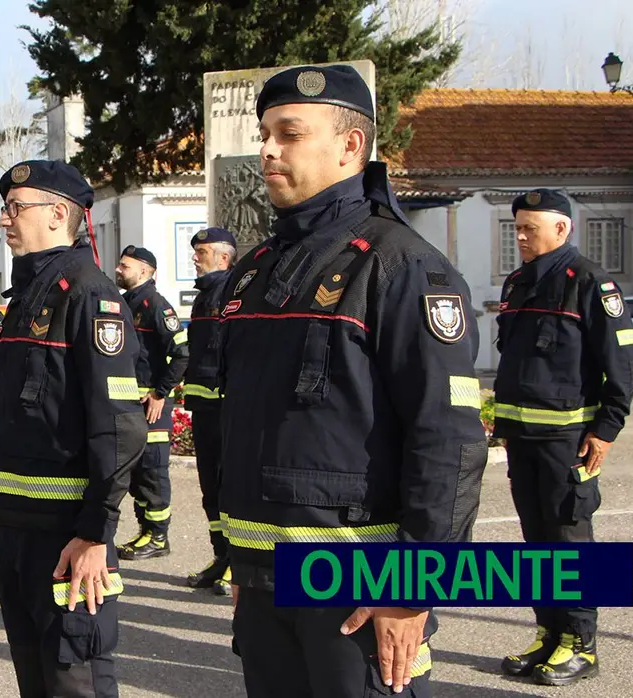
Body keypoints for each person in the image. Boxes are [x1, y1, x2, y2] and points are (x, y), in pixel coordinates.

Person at [216, 64, 487, 698]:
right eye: (265, 132)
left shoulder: (402, 265)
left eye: (289, 133)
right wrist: (243, 562)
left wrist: (412, 591)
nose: (267, 149)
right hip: (265, 583)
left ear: (349, 146)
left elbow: (448, 441)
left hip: (360, 594)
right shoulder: (254, 272)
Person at [0, 159, 146, 697]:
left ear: (58, 214)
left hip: (66, 534)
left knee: (74, 676)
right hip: (15, 525)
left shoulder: (88, 293)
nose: (5, 220)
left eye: (16, 208)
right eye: (4, 209)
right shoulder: (29, 294)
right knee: (36, 675)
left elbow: (119, 426)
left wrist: (96, 531)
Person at [492, 188, 633, 686]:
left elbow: (620, 365)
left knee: (569, 542)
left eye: (531, 228)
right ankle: (549, 632)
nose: (522, 236)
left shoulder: (591, 283)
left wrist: (606, 431)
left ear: (563, 229)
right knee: (536, 542)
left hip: (569, 441)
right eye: (518, 228)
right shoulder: (517, 283)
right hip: (523, 439)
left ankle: (581, 642)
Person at [113, 245, 189, 561]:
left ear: (145, 271)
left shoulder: (156, 305)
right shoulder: (125, 303)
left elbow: (182, 354)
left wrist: (160, 392)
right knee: (139, 475)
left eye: (124, 266)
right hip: (131, 403)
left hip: (151, 405)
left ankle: (158, 537)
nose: (118, 270)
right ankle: (146, 531)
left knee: (153, 473)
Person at [180, 226, 238, 595]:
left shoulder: (233, 291)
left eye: (201, 252)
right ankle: (221, 557)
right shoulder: (205, 297)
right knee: (210, 491)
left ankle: (238, 561)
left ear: (223, 257)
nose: (195, 258)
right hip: (204, 408)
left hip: (226, 409)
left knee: (231, 488)